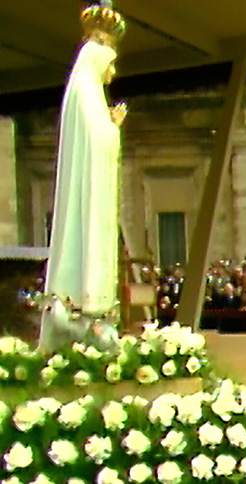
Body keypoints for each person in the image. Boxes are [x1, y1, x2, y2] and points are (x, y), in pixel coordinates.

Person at [39, 2, 128, 353]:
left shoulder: (83, 96)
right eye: (111, 62)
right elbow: (100, 143)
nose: (114, 70)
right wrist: (114, 127)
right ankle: (86, 316)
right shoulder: (87, 96)